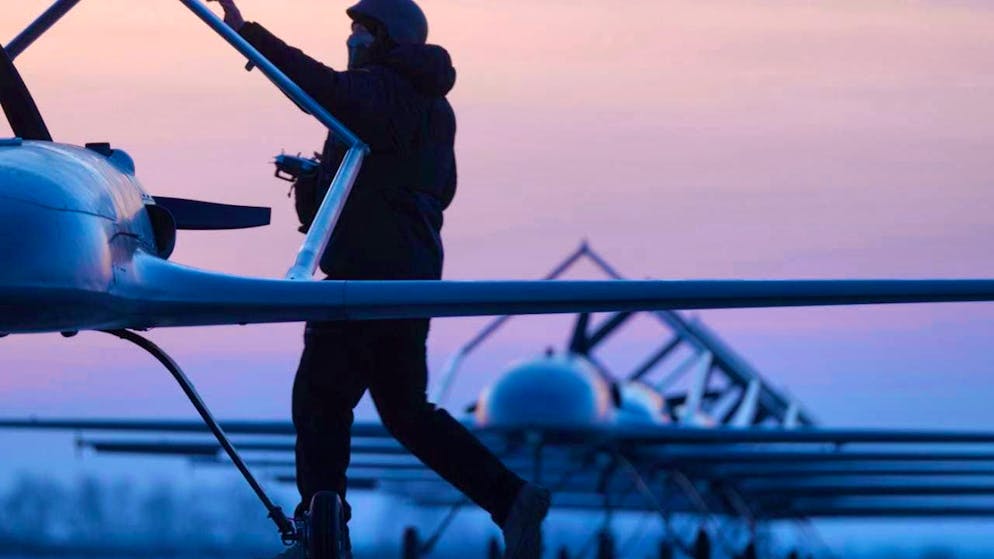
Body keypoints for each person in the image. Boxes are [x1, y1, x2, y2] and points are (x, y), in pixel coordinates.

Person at [210, 1, 550, 558]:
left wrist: (250, 36)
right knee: (407, 413)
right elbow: (427, 187)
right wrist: (320, 178)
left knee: (320, 399)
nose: (351, 40)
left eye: (359, 31)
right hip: (410, 279)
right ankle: (511, 499)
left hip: (365, 279)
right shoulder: (430, 105)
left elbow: (322, 89)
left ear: (388, 37)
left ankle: (322, 535)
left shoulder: (385, 87)